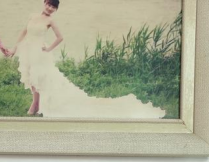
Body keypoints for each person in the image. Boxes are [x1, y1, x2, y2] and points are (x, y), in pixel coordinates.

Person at [10, 0, 166, 118]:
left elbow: (60, 37)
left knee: (38, 78)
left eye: (53, 7)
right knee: (31, 78)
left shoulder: (50, 21)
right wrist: (15, 48)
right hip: (28, 50)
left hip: (40, 52)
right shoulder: (32, 16)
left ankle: (35, 105)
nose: (50, 8)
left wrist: (49, 48)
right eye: (49, 4)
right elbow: (24, 32)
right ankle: (36, 103)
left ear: (55, 10)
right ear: (44, 3)